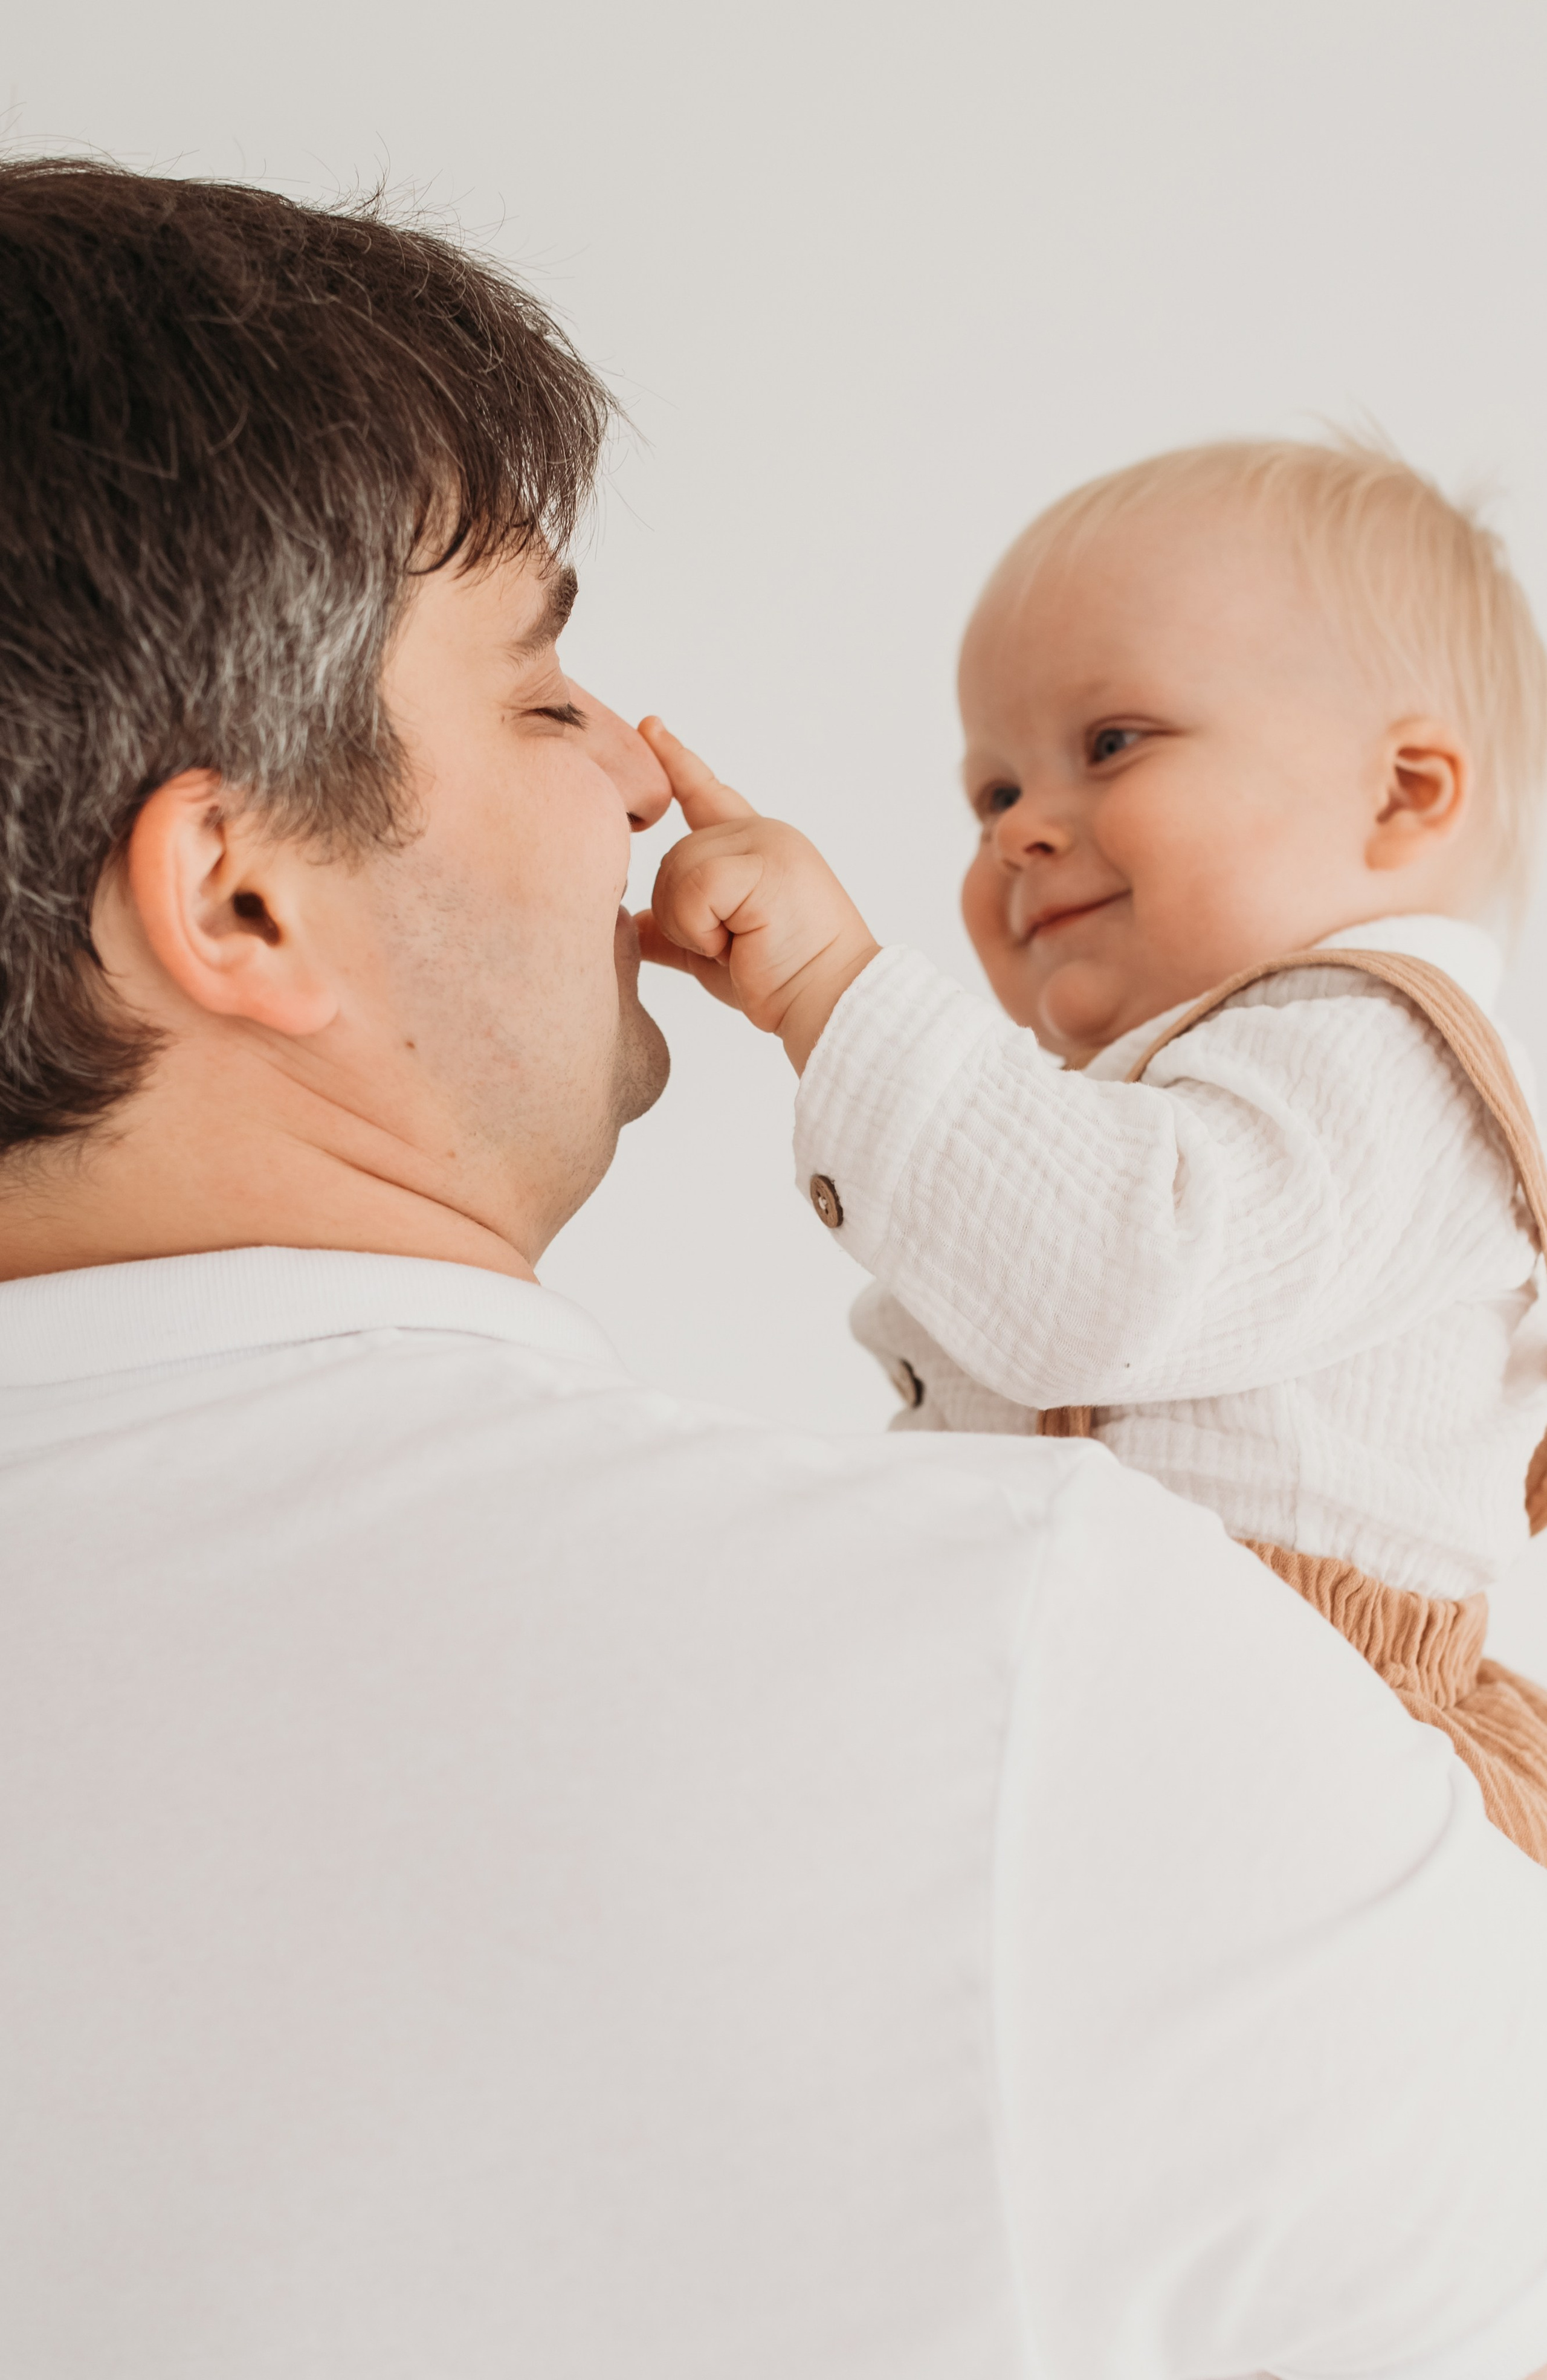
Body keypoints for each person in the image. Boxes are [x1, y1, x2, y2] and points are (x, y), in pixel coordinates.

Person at [1, 158, 1546, 2380]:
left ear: (1410, 795)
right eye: (545, 695)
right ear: (241, 901)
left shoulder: (1353, 1067)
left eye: (1111, 747)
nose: (646, 773)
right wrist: (848, 1005)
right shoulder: (1051, 1667)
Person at [636, 440, 1547, 1857]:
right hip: (1130, 1718)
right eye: (991, 794)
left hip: (1297, 1753)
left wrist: (830, 990)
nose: (1019, 834)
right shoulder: (1169, 1097)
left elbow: (1109, 1275)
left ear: (1401, 793)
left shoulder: (1382, 1050)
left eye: (1110, 744)